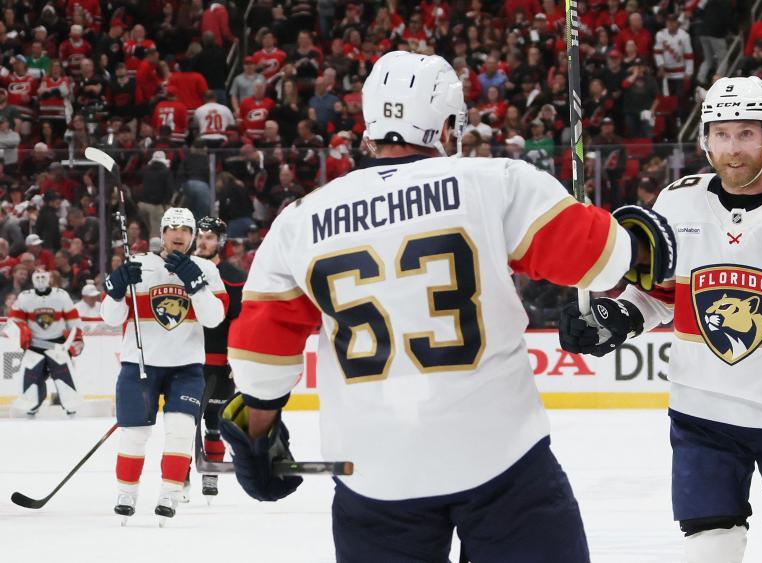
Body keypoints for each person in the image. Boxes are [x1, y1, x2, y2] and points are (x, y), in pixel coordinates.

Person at [221, 51, 675, 561]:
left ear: (370, 123)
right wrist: (633, 238)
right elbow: (608, 257)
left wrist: (257, 435)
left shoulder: (299, 220)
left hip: (374, 473)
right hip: (500, 458)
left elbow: (261, 357)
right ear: (446, 124)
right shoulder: (495, 182)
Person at [560, 76, 762, 563]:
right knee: (710, 546)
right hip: (703, 415)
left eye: (746, 134)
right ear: (704, 138)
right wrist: (618, 316)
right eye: (721, 134)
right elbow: (661, 297)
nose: (733, 150)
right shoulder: (677, 201)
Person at [101, 207, 227, 525]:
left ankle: (170, 494)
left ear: (193, 234)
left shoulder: (205, 269)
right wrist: (115, 292)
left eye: (186, 228)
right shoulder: (139, 264)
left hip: (185, 368)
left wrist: (196, 284)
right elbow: (111, 318)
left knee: (182, 431)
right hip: (139, 364)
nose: (179, 233)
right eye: (172, 227)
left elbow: (215, 318)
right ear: (162, 232)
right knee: (135, 434)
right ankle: (126, 495)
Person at [192, 216, 245, 499]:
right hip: (185, 360)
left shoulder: (234, 278)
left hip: (218, 364)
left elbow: (239, 322)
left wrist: (236, 359)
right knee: (184, 422)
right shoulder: (181, 271)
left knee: (213, 422)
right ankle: (181, 478)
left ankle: (210, 473)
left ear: (220, 242)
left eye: (210, 237)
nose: (203, 241)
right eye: (200, 236)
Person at [8, 268, 84, 416]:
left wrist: (77, 339)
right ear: (32, 278)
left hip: (58, 346)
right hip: (34, 347)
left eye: (44, 277)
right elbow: (14, 321)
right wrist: (21, 329)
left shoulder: (61, 296)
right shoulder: (24, 297)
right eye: (38, 277)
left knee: (65, 382)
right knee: (31, 384)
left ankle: (70, 405)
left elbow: (74, 321)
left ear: (49, 278)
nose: (41, 280)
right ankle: (33, 405)